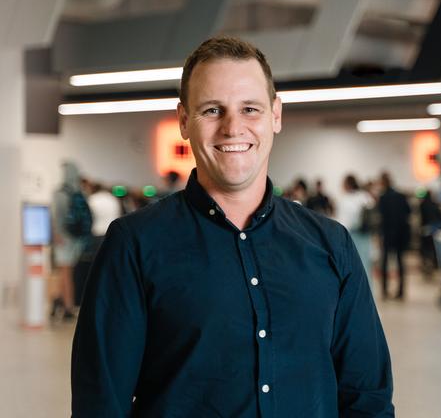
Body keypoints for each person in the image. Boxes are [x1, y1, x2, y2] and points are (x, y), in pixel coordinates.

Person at [71, 36, 394, 417]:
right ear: (183, 120)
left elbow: (366, 396)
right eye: (212, 110)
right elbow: (100, 403)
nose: (232, 127)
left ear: (276, 115)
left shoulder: (330, 245)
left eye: (250, 109)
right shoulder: (134, 245)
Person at [51, 161, 93, 321]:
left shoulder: (60, 193)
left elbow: (57, 216)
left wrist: (56, 235)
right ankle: (62, 302)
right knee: (68, 273)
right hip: (76, 239)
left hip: (63, 239)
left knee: (65, 273)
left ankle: (65, 305)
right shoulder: (79, 191)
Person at [377, 171, 411, 300]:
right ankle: (401, 291)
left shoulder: (383, 197)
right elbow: (408, 212)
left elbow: (380, 217)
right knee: (400, 263)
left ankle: (385, 291)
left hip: (387, 235)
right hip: (401, 235)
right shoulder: (401, 196)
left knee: (384, 263)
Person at [337, 174, 375, 283]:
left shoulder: (346, 200)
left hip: (352, 237)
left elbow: (344, 222)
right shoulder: (365, 196)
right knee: (366, 265)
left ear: (347, 184)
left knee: (354, 267)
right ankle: (368, 293)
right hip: (366, 236)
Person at [418, 190, 441, 276]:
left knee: (425, 248)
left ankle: (426, 262)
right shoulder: (435, 205)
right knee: (433, 247)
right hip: (434, 229)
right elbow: (439, 217)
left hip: (425, 229)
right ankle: (434, 263)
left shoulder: (422, 205)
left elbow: (422, 218)